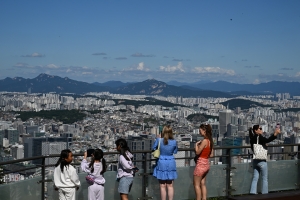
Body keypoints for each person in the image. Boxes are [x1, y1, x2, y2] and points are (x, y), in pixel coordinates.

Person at [249, 124, 280, 194]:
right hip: (262, 161)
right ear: (255, 131)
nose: (261, 130)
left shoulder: (252, 138)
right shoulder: (259, 137)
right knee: (264, 179)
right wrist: (275, 134)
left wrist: (263, 144)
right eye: (260, 129)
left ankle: (252, 193)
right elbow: (268, 140)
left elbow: (254, 148)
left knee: (255, 178)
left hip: (255, 160)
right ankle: (265, 195)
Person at [152, 125, 178, 200]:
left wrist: (158, 138)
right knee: (170, 185)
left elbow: (153, 148)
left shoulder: (159, 140)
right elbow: (175, 151)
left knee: (162, 185)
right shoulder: (174, 142)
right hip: (171, 163)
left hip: (161, 162)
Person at [193, 123, 214, 200]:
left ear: (204, 130)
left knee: (196, 185)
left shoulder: (205, 141)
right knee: (203, 184)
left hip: (200, 165)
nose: (199, 132)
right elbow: (211, 155)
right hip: (206, 164)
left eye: (200, 130)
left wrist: (196, 145)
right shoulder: (210, 141)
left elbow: (197, 152)